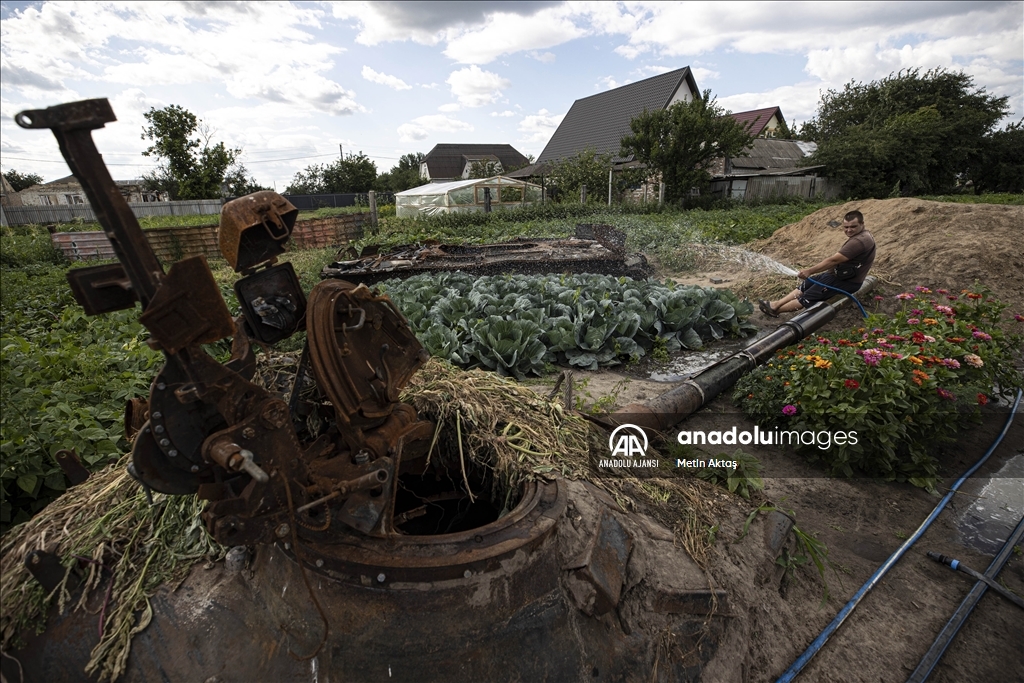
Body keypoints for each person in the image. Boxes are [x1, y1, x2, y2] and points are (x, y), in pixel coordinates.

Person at [759, 210, 875, 317]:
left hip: (845, 281)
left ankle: (776, 311)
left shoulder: (859, 241)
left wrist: (809, 271)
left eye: (853, 227)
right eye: (846, 227)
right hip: (836, 275)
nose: (849, 230)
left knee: (807, 297)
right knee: (806, 284)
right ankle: (776, 304)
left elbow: (833, 260)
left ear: (862, 224)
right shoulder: (863, 235)